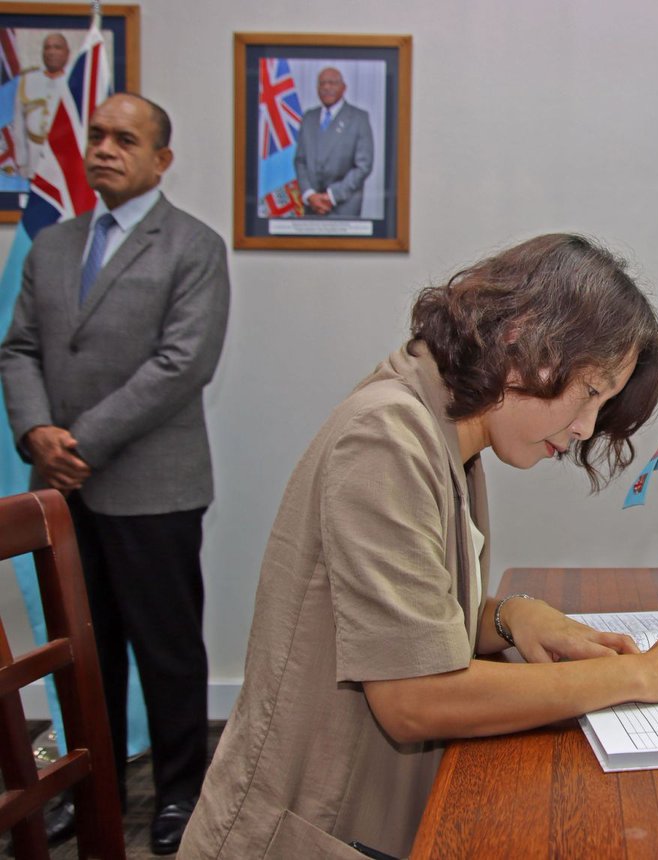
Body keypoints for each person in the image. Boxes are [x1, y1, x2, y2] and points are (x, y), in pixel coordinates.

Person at [179, 234, 658, 859]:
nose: (586, 428)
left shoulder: (450, 436)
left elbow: (405, 621)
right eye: (590, 393)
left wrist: (508, 617)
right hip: (299, 832)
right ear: (522, 336)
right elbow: (414, 697)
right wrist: (641, 673)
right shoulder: (387, 437)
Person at [0, 93, 231, 855]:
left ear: (161, 159)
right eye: (96, 135)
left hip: (153, 487)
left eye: (124, 139)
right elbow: (20, 348)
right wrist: (37, 433)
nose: (103, 148)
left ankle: (178, 793)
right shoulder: (53, 244)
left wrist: (78, 441)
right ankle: (81, 785)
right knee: (81, 650)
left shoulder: (192, 246)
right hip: (61, 493)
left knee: (165, 648)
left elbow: (182, 364)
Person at [292, 66, 373, 217]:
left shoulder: (359, 118)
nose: (326, 87)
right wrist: (310, 195)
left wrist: (331, 196)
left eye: (332, 83)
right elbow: (300, 161)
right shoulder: (309, 118)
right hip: (312, 208)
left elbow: (363, 166)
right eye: (322, 83)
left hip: (343, 208)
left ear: (343, 88)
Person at [7, 32, 70, 179]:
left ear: (67, 53)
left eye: (57, 47)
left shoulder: (75, 82)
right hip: (33, 162)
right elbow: (19, 124)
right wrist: (22, 161)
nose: (51, 52)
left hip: (64, 163)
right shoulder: (28, 80)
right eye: (47, 48)